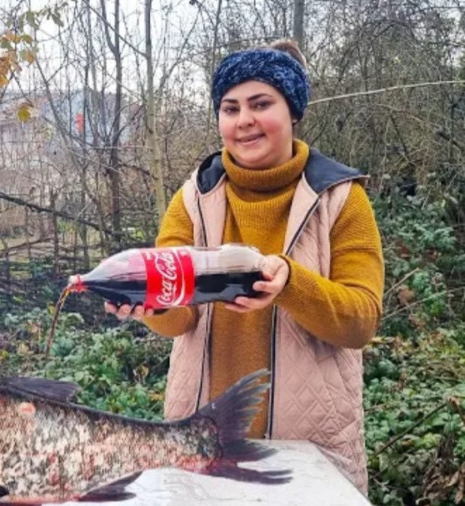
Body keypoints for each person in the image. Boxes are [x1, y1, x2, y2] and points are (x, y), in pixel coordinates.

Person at [107, 40, 383, 494]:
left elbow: (360, 321)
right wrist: (150, 306)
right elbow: (181, 318)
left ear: (292, 112)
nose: (244, 120)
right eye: (230, 108)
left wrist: (291, 283)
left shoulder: (340, 199)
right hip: (199, 442)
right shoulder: (194, 198)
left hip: (308, 450)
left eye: (261, 104)